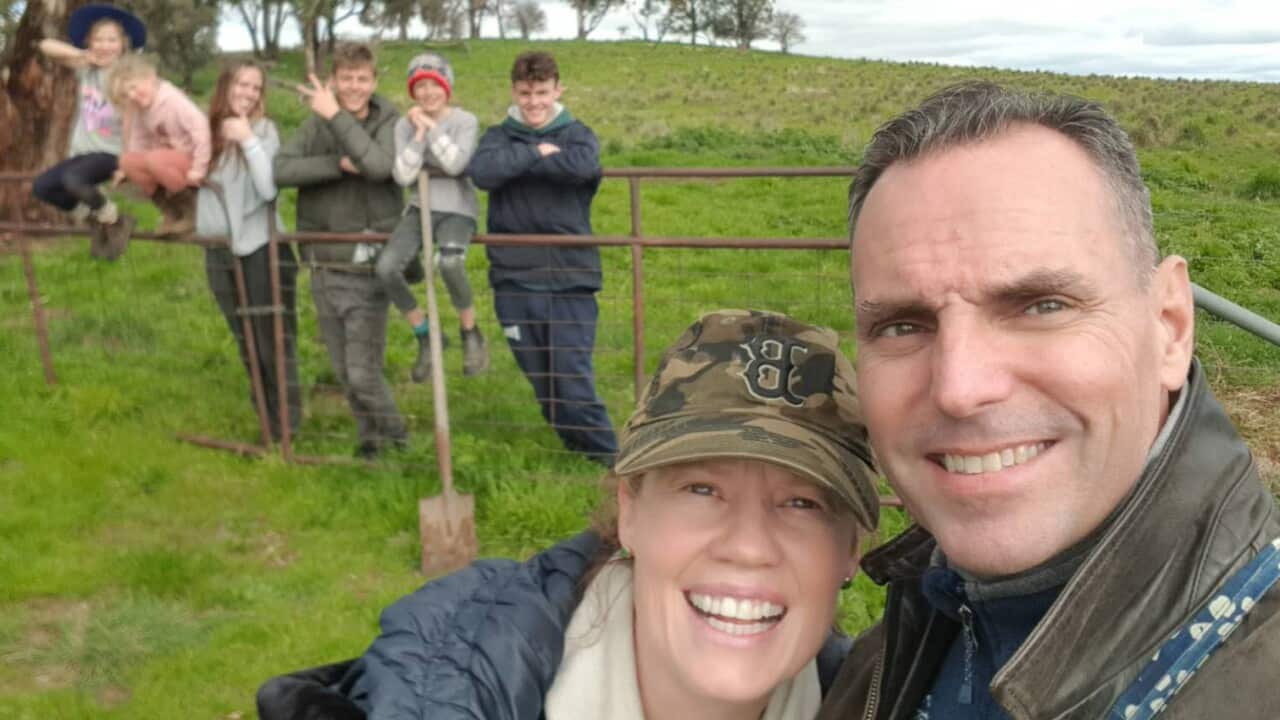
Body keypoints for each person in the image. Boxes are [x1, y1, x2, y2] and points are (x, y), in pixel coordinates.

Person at [817, 81, 1280, 720]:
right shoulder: (905, 638)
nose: (960, 387)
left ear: (1169, 325)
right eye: (903, 325)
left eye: (1042, 306)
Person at [256, 309, 882, 720]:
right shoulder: (440, 691)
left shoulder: (893, 701)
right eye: (700, 489)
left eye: (802, 502)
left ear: (852, 548)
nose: (748, 546)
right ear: (628, 509)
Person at [468, 50, 617, 466]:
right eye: (525, 93)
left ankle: (617, 463)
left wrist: (528, 162)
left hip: (569, 278)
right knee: (543, 383)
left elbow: (583, 167)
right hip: (513, 279)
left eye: (542, 92)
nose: (534, 102)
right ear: (514, 92)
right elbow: (483, 172)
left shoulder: (577, 133)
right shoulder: (499, 135)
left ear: (558, 89)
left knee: (571, 379)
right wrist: (537, 153)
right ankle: (578, 455)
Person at [273, 42, 407, 460]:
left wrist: (333, 114)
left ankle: (400, 440)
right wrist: (336, 164)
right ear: (334, 80)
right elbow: (281, 169)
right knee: (345, 369)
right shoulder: (317, 125)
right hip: (323, 263)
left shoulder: (389, 120)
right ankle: (371, 440)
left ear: (374, 81)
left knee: (363, 371)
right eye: (346, 78)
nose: (353, 86)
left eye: (362, 78)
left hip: (367, 265)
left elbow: (380, 166)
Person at [196, 59, 301, 442]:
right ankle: (266, 418)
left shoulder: (264, 130)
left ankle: (286, 424)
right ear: (225, 85)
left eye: (256, 88)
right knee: (245, 338)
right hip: (220, 252)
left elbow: (269, 189)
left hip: (262, 249)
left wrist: (248, 140)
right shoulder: (205, 132)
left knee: (272, 339)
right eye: (242, 84)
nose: (249, 93)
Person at [381, 51, 489, 381]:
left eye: (435, 85)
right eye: (420, 86)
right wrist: (416, 133)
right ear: (413, 92)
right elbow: (402, 175)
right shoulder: (403, 125)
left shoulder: (464, 121)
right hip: (420, 208)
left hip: (457, 208)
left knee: (450, 263)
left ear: (448, 88)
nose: (428, 92)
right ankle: (427, 336)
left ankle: (470, 332)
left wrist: (430, 128)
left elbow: (456, 164)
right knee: (386, 268)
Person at [32, 3, 145, 259]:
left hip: (110, 152)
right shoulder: (87, 69)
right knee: (42, 187)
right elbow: (45, 46)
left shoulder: (125, 76)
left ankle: (115, 219)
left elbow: (131, 121)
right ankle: (99, 218)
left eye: (111, 40)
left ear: (123, 44)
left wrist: (126, 162)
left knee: (73, 180)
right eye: (98, 39)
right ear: (90, 42)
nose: (105, 45)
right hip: (83, 152)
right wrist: (83, 55)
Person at [108, 52, 212, 237]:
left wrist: (199, 168)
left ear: (150, 77)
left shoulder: (173, 101)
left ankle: (191, 212)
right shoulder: (141, 108)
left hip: (192, 162)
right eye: (127, 94)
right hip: (167, 162)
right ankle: (170, 212)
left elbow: (202, 131)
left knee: (155, 159)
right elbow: (138, 141)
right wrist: (127, 170)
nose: (132, 96)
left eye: (134, 87)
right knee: (127, 161)